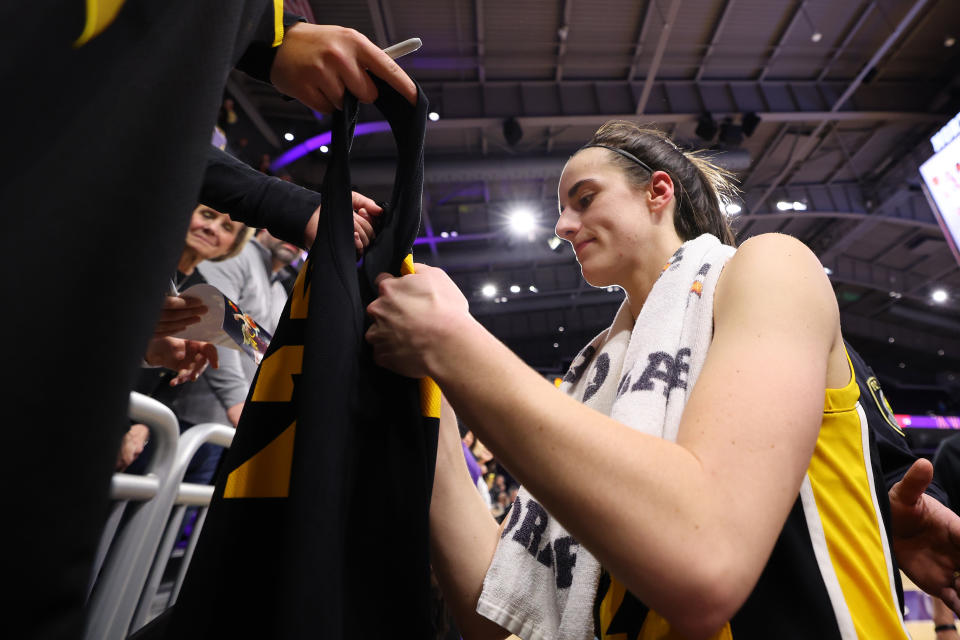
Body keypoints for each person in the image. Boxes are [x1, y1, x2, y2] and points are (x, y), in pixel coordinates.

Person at [366, 121, 960, 639]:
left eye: (584, 198)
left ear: (657, 191)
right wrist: (431, 384)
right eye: (561, 209)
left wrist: (456, 342)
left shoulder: (769, 267)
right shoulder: (596, 378)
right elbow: (491, 617)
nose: (563, 225)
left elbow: (706, 560)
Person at [2, 4, 417, 635]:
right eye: (212, 215)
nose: (211, 225)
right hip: (184, 415)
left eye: (226, 224)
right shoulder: (221, 273)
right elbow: (229, 327)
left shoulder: (221, 272)